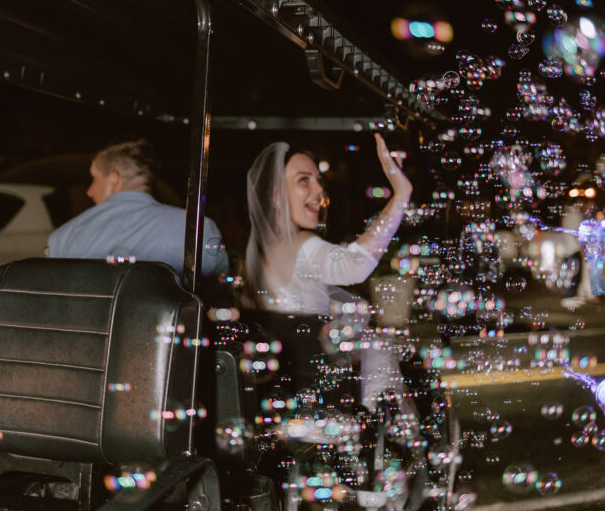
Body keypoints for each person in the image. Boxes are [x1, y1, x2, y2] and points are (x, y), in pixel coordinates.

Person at [244, 132, 412, 407]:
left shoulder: (254, 257)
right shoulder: (301, 244)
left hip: (281, 400)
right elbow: (355, 267)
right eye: (303, 181)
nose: (319, 191)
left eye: (318, 180)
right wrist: (401, 193)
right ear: (275, 196)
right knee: (380, 347)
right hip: (324, 404)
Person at [48, 139, 229, 279]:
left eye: (94, 179)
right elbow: (217, 292)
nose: (89, 191)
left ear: (114, 179)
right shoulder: (199, 229)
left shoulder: (64, 236)